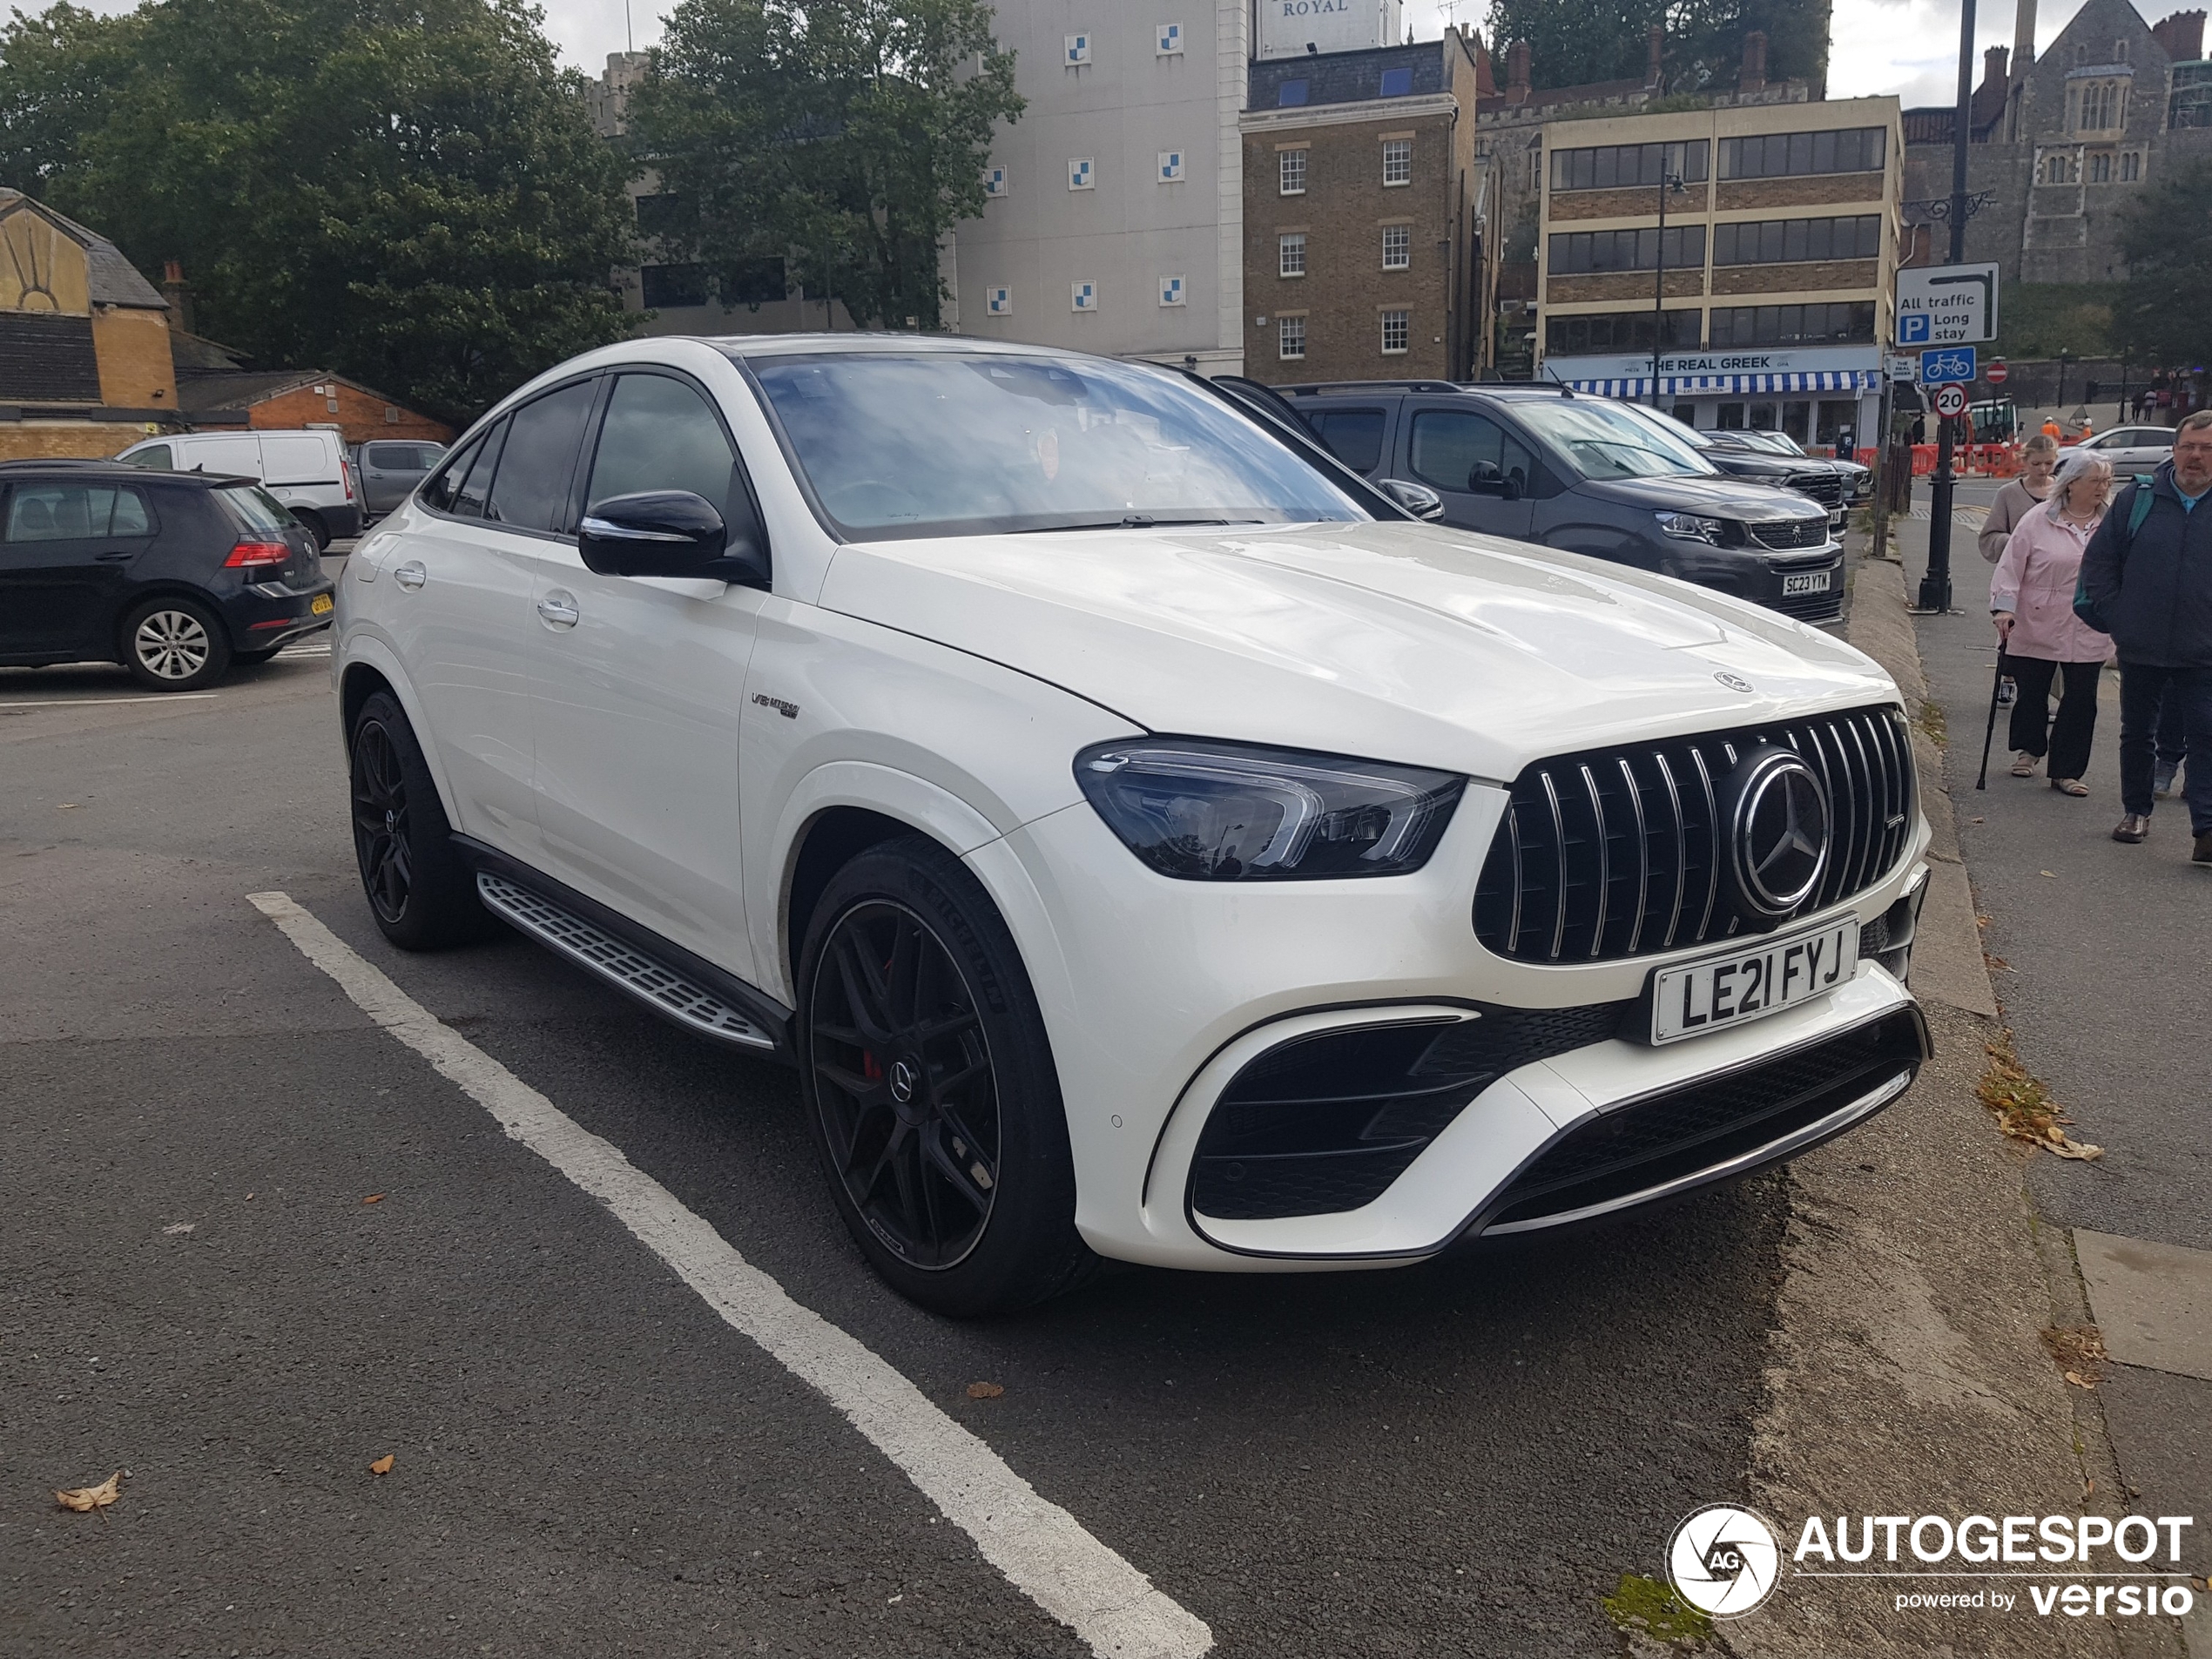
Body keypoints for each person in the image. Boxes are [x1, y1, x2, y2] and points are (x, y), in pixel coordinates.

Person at [2079, 408, 2212, 855]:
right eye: (2188, 447)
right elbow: (2099, 565)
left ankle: (2206, 830)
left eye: (2207, 448)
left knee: (2206, 734)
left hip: (2204, 649)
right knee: (2138, 733)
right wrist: (2121, 618)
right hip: (2141, 643)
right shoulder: (2138, 500)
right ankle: (2136, 812)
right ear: (2174, 451)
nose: (2196, 456)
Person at [1992, 448, 2114, 794]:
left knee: (2081, 699)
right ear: (2072, 483)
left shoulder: (2113, 522)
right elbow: (2011, 565)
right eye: (2095, 481)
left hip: (2089, 621)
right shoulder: (2038, 518)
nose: (2102, 488)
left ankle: (2067, 771)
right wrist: (2004, 607)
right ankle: (2029, 749)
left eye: (2107, 481)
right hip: (2037, 619)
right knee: (2033, 692)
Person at [1979, 432, 2060, 564]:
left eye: (2049, 463)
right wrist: (2014, 542)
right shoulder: (2007, 493)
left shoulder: (2064, 490)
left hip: (2059, 572)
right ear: (2024, 461)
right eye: (2036, 463)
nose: (2043, 469)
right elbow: (1988, 537)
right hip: (2019, 571)